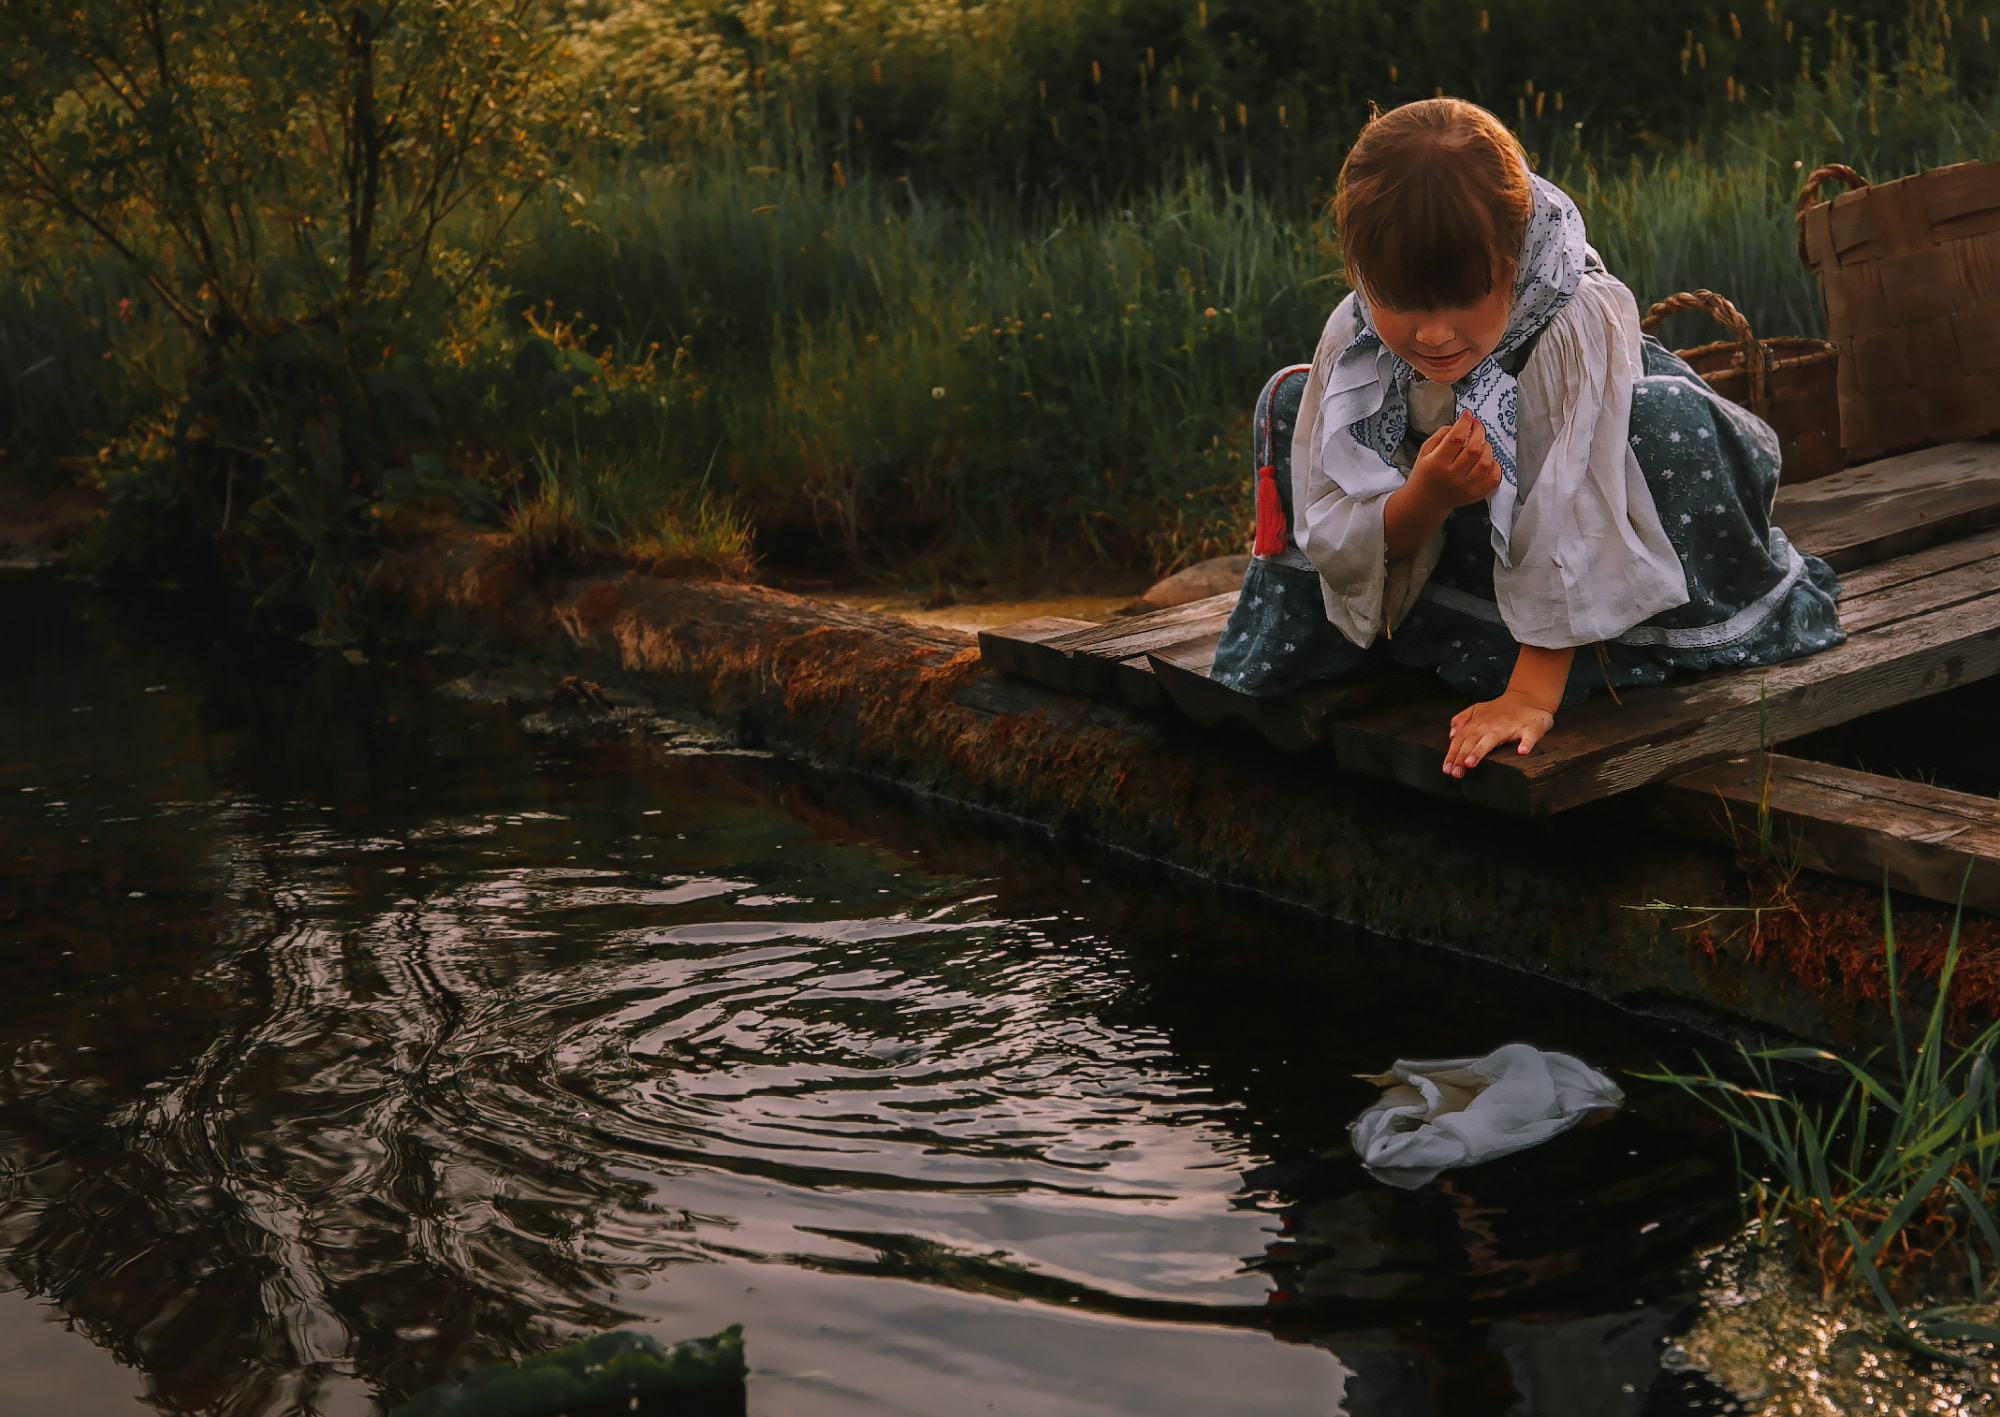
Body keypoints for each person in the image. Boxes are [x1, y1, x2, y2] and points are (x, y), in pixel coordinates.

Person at [1208, 97, 1844, 779]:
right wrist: (1426, 495)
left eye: (1462, 297)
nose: (1432, 333)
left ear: (1513, 258)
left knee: (1663, 433)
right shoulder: (1362, 328)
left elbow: (1573, 505)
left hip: (1600, 511)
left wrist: (1530, 697)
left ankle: (1564, 655)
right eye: (1406, 304)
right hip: (1470, 527)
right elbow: (1339, 508)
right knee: (1295, 398)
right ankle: (1413, 631)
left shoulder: (1566, 325)